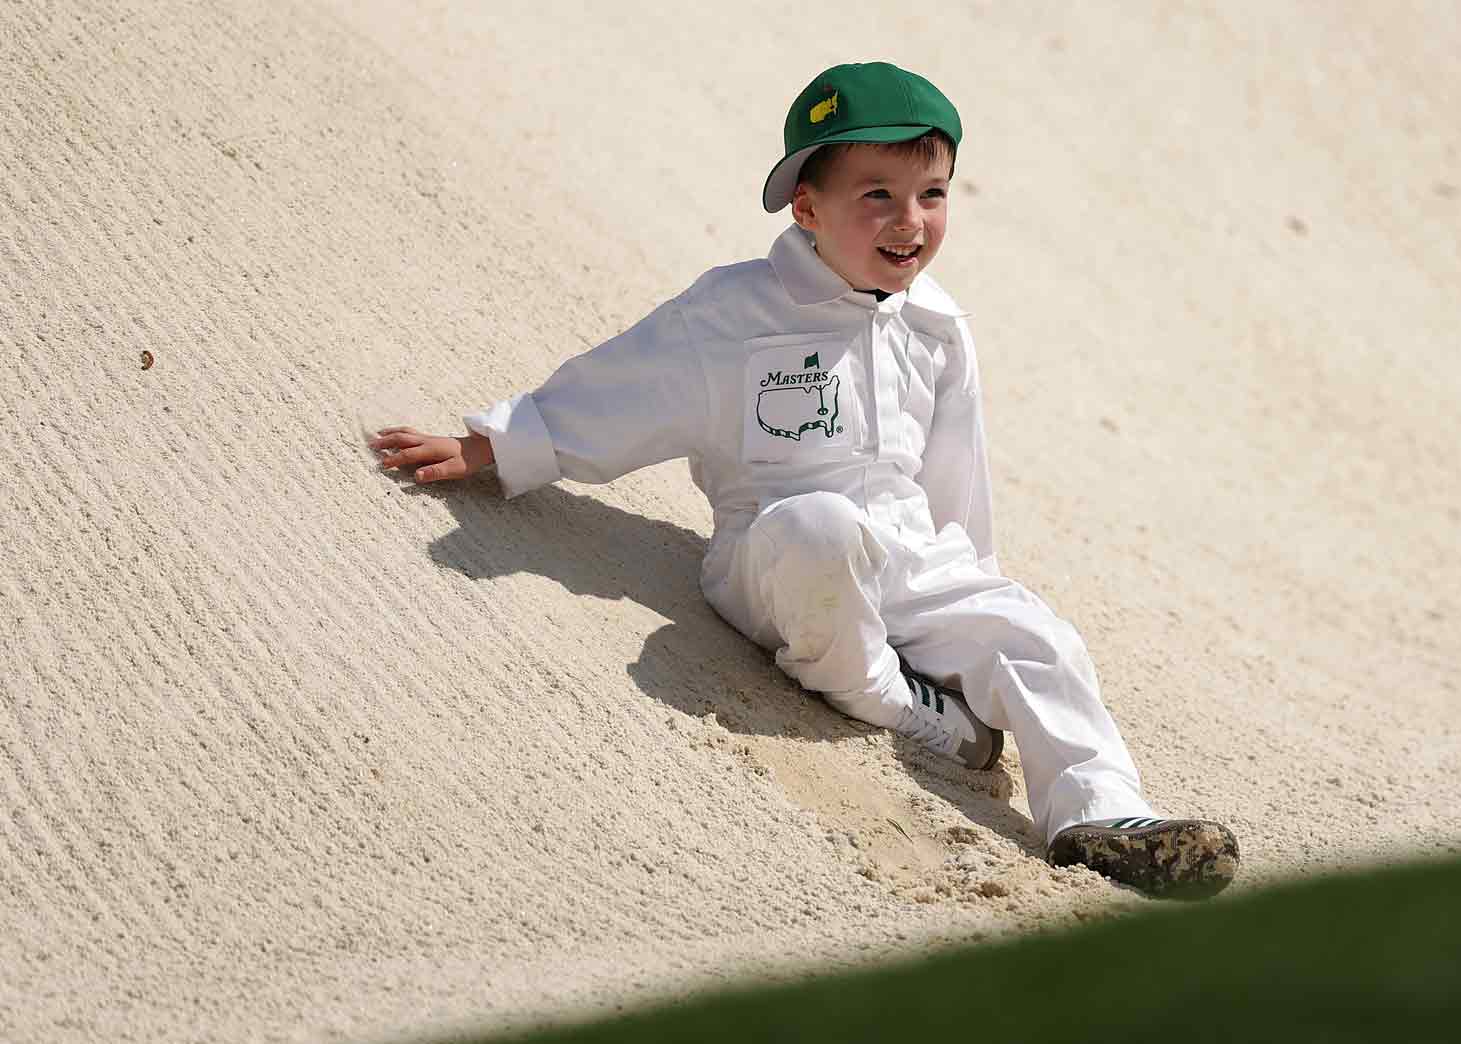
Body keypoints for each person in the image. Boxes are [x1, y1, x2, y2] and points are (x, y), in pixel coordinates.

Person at [369, 62, 1239, 900]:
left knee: (1039, 638)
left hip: (911, 557)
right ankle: (906, 710)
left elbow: (954, 484)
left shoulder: (938, 329)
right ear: (807, 205)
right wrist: (505, 444)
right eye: (878, 196)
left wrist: (971, 600)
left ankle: (1103, 818)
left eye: (932, 194)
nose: (912, 221)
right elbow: (625, 386)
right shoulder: (734, 312)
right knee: (818, 529)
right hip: (773, 548)